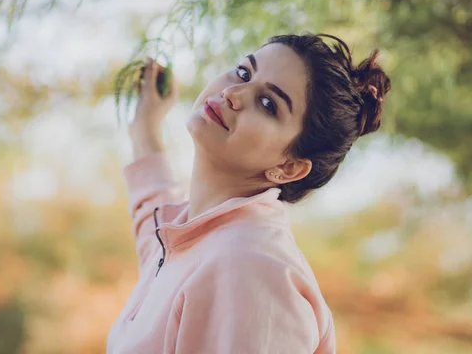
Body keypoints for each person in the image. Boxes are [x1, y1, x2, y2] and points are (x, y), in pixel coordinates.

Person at [106, 33, 391, 354]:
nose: (233, 93)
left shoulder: (253, 272)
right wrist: (144, 128)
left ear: (289, 168)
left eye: (268, 104)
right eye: (244, 72)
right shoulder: (195, 239)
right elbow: (156, 225)